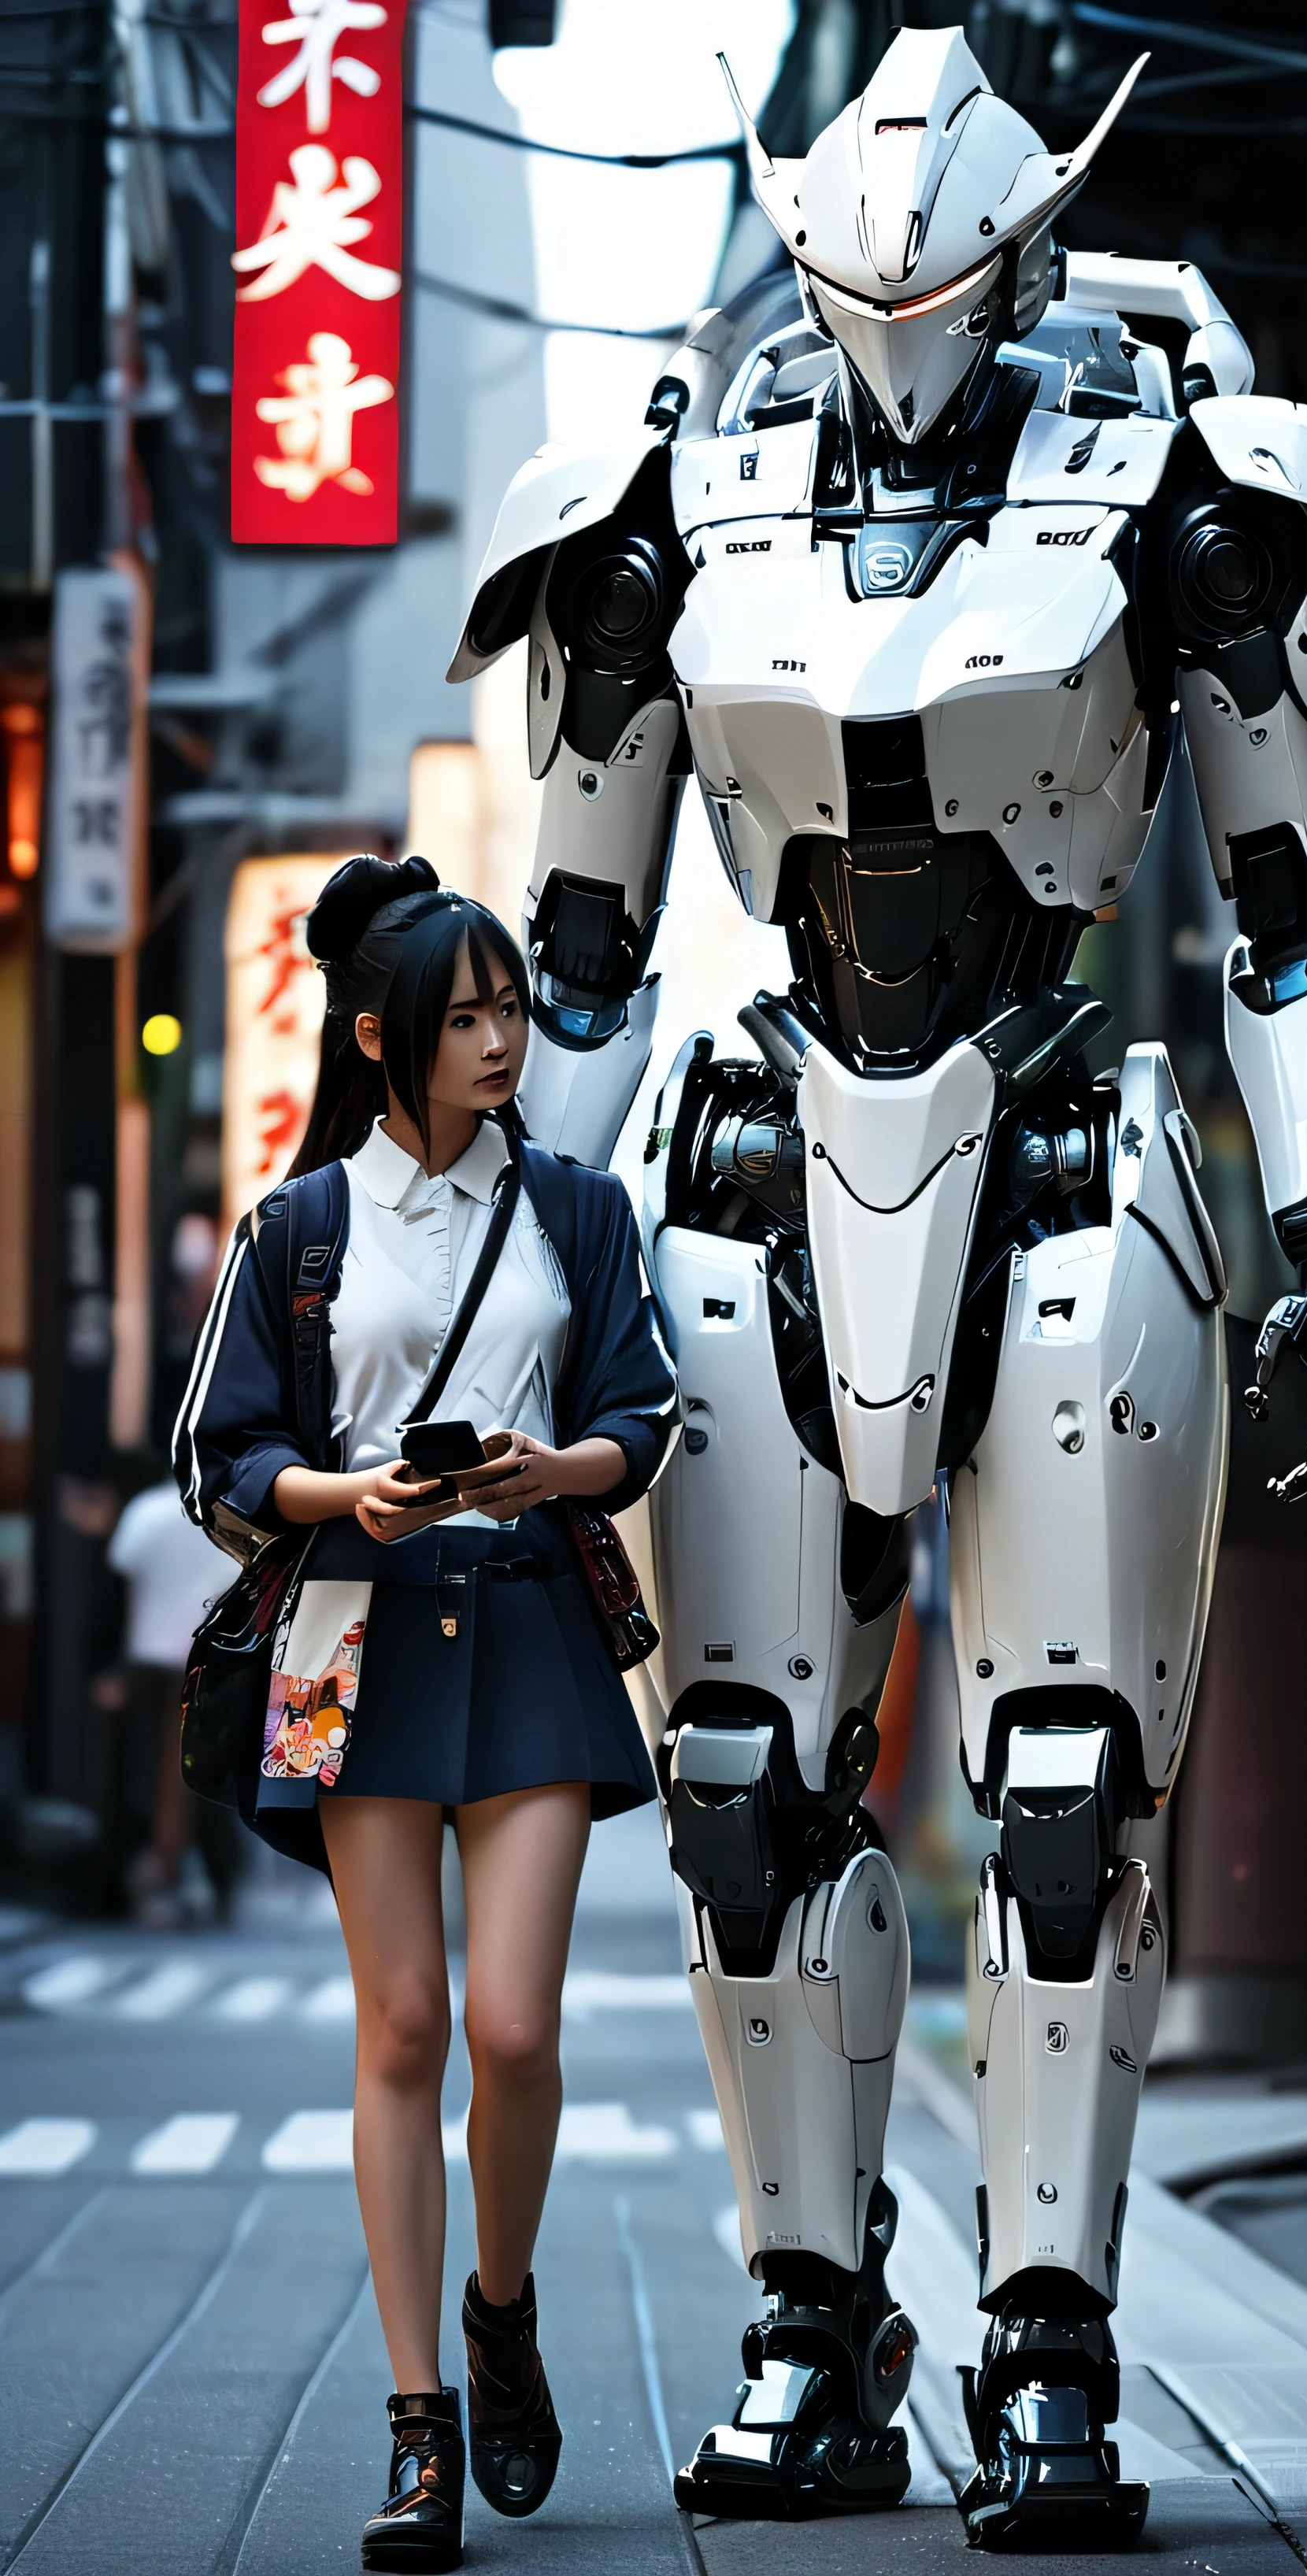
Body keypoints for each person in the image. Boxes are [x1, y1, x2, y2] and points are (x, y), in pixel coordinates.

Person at [172, 853, 676, 2574]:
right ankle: (416, 2426)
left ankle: (500, 2302)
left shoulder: (577, 1209)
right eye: (465, 1016)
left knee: (513, 2027)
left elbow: (639, 1404)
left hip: (532, 1611)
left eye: (512, 1010)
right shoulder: (297, 1226)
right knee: (400, 2029)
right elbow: (218, 1455)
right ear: (382, 1036)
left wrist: (559, 1469)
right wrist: (343, 1493)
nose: (500, 1040)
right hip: (343, 1636)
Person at [106, 1479, 238, 1923]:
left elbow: (120, 1584)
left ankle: (159, 1870)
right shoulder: (226, 1512)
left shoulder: (144, 1510)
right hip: (208, 1658)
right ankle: (206, 1875)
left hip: (149, 1655)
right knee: (205, 1770)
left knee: (147, 1769)